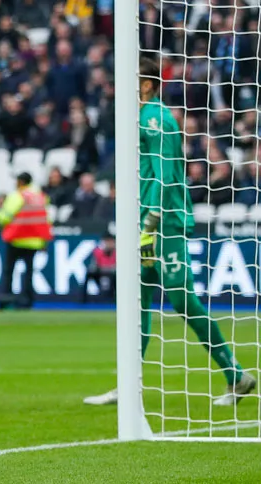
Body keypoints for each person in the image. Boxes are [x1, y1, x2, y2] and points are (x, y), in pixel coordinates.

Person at [84, 58, 256, 406]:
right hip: (144, 220)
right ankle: (128, 385)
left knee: (182, 301)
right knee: (138, 301)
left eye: (130, 79)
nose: (120, 88)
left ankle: (236, 375)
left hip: (163, 222)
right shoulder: (141, 117)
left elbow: (164, 173)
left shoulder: (154, 117)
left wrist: (152, 219)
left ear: (146, 85)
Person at [0, 172, 53, 309]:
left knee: (9, 271)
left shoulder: (17, 196)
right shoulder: (40, 197)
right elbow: (46, 219)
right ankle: (27, 301)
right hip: (34, 241)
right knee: (29, 273)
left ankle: (7, 299)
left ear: (20, 182)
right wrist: (44, 240)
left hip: (16, 239)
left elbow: (4, 217)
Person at [81, 232, 116, 303]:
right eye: (107, 241)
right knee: (89, 274)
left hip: (112, 273)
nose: (109, 243)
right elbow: (94, 266)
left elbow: (116, 266)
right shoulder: (98, 251)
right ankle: (83, 299)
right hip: (101, 272)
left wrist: (107, 268)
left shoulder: (117, 252)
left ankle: (114, 298)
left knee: (115, 277)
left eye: (111, 241)